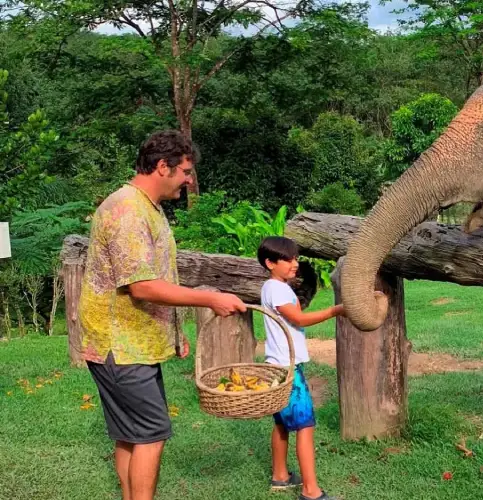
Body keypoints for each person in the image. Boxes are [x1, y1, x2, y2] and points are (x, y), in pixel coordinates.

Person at [78, 129, 247, 500]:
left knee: (131, 434)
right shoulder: (127, 211)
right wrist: (209, 299)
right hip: (120, 346)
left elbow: (156, 276)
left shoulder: (147, 208)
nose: (189, 180)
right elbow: (142, 286)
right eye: (185, 171)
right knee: (152, 434)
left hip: (132, 342)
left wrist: (174, 332)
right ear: (161, 167)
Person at [258, 236, 344, 500]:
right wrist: (335, 311)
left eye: (295, 258)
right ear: (270, 263)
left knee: (282, 424)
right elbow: (299, 318)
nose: (295, 264)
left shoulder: (270, 287)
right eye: (288, 259)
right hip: (288, 368)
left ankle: (280, 476)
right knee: (305, 426)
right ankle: (310, 490)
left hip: (276, 365)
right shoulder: (279, 289)